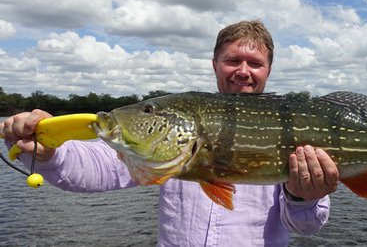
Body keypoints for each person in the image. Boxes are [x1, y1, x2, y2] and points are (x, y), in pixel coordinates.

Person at [0, 20, 339, 246]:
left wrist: (301, 197)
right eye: (233, 60)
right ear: (214, 64)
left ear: (268, 70)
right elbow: (98, 167)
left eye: (255, 63)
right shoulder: (163, 141)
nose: (243, 71)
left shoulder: (297, 129)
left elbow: (305, 226)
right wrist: (49, 153)